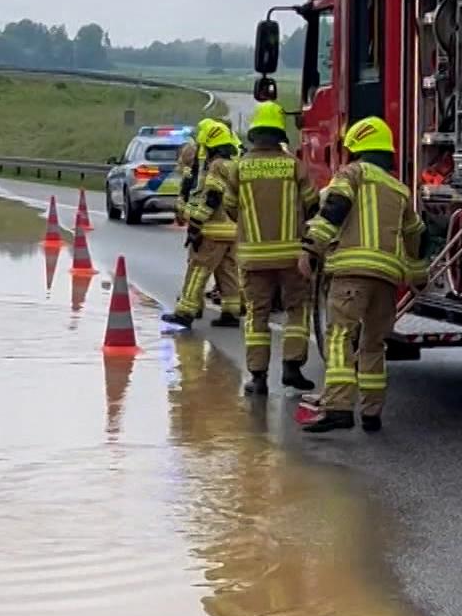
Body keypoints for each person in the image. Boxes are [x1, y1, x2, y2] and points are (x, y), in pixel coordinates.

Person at [299, 116, 425, 433]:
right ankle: (371, 413)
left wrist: (312, 248)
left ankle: (339, 407)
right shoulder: (399, 189)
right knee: (373, 344)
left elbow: (335, 208)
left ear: (357, 148)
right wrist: (417, 275)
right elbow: (416, 235)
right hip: (386, 280)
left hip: (351, 274)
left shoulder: (352, 174)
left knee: (341, 335)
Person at [235, 101, 319, 395]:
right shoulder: (294, 166)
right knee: (297, 309)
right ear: (279, 134)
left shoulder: (240, 167)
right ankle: (292, 367)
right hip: (291, 256)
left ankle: (258, 379)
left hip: (253, 257)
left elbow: (231, 207)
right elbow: (312, 204)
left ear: (254, 134)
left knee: (257, 315)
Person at [164, 121, 243, 329]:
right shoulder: (236, 164)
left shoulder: (216, 166)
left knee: (198, 268)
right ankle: (231, 313)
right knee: (228, 273)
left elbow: (212, 197)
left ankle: (185, 312)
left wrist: (195, 224)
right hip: (233, 231)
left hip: (213, 230)